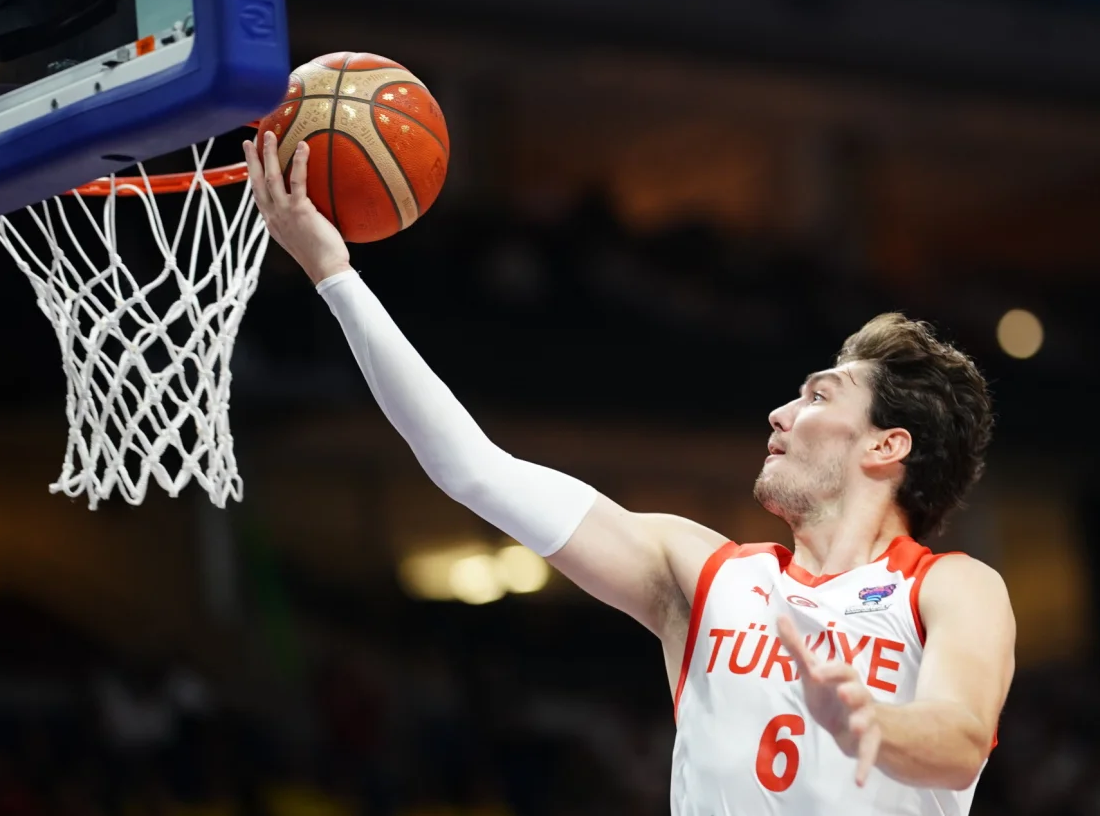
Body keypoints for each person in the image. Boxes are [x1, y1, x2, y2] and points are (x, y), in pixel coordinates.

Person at [243, 133, 1016, 815]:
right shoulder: (700, 572)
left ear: (886, 447)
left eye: (817, 395)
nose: (780, 413)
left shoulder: (950, 586)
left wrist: (864, 720)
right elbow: (472, 469)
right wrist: (334, 273)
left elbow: (956, 736)